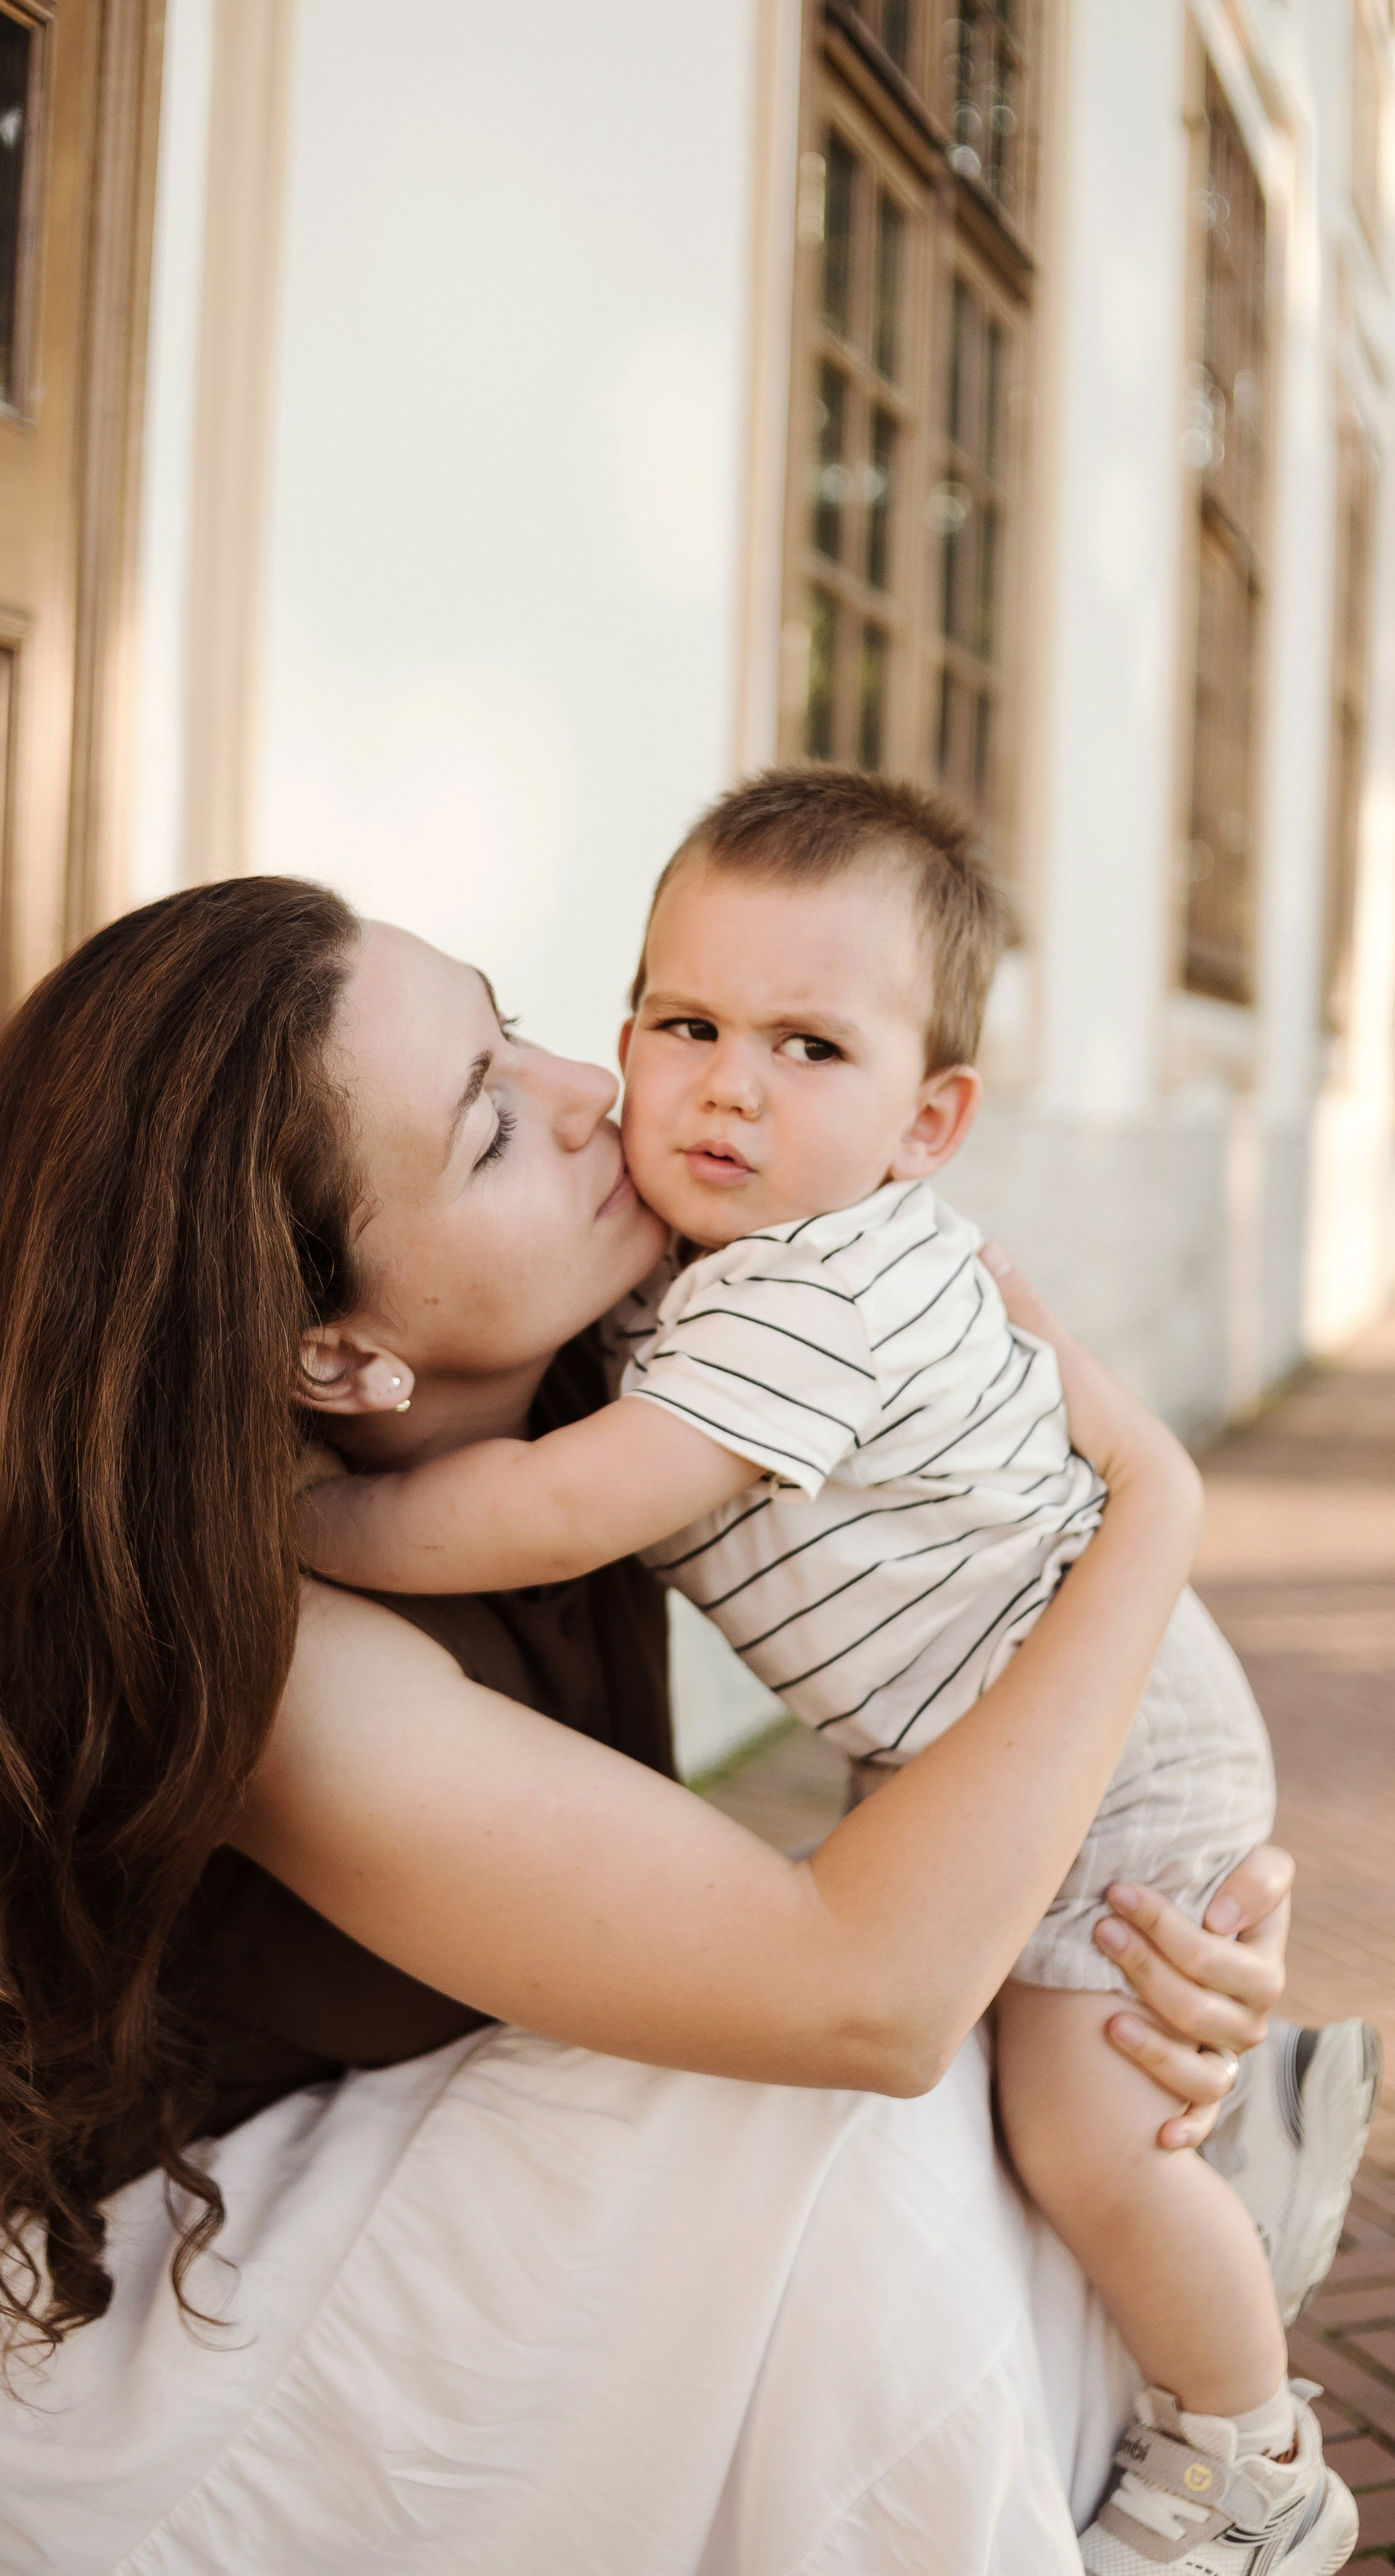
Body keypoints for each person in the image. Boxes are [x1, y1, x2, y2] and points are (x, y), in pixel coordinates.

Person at [0, 874, 1310, 2575]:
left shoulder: (629, 1369)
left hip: (395, 2090)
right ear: (333, 1353)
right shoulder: (291, 1663)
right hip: (125, 2343)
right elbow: (868, 1996)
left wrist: (1133, 1927)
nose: (596, 1091)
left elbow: (968, 1634)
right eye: (489, 1129)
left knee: (992, 2044)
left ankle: (1164, 2341)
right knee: (842, 2112)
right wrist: (1156, 1511)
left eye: (512, 1025)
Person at [301, 773, 1359, 2571]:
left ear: (928, 1122)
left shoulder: (807, 1290)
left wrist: (317, 1528)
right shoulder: (702, 1276)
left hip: (1097, 1728)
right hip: (990, 1710)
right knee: (1051, 2091)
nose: (727, 1087)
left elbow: (566, 1504)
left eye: (808, 1049)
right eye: (687, 1025)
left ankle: (1253, 2458)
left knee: (1093, 2143)